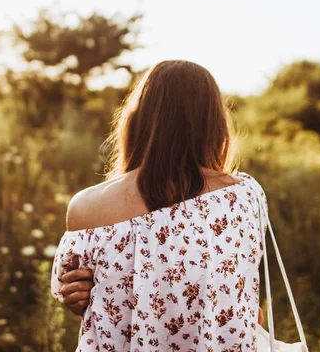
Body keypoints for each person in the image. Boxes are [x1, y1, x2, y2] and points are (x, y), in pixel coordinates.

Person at [51, 60, 269, 351]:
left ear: (138, 118)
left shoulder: (86, 208)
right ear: (214, 122)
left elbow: (76, 295)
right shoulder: (245, 198)